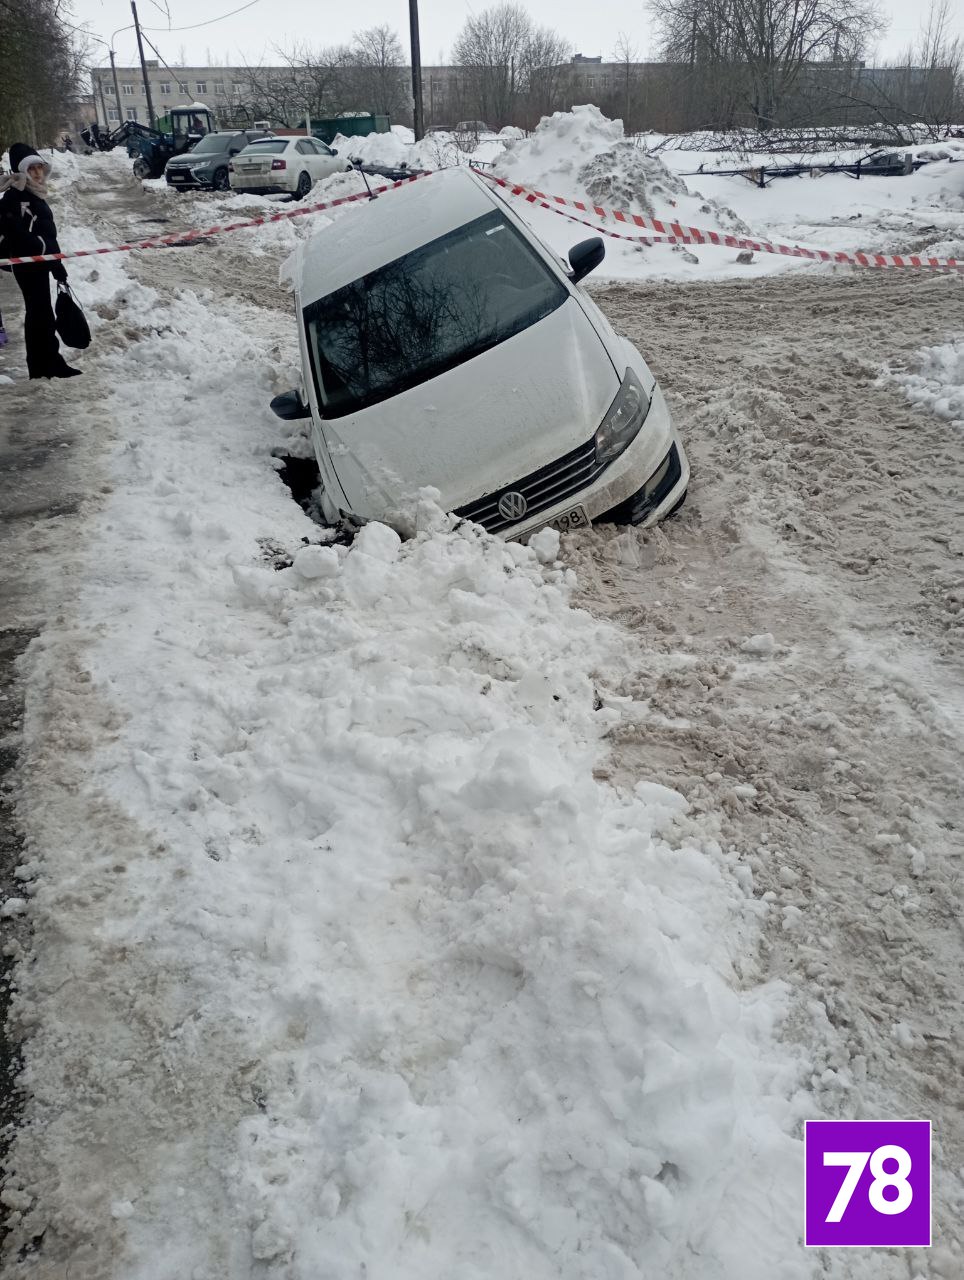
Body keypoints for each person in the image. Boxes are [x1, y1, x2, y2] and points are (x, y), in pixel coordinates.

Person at [0, 143, 80, 378]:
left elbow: (47, 234)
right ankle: (40, 366)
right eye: (31, 168)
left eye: (39, 167)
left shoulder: (35, 194)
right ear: (21, 171)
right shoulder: (16, 197)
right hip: (26, 263)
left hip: (40, 261)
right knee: (38, 313)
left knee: (42, 312)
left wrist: (56, 265)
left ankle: (50, 361)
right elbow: (19, 234)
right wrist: (43, 251)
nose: (37, 173)